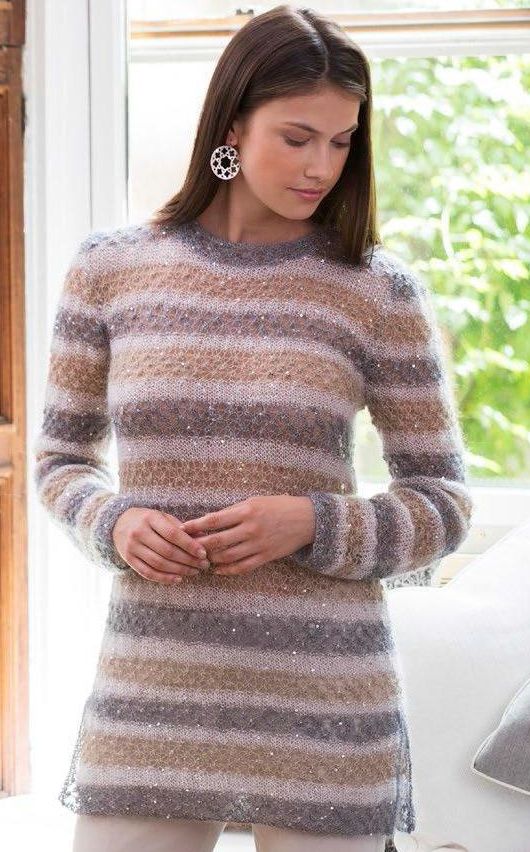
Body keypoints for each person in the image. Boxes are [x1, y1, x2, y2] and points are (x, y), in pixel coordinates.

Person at [33, 5, 473, 852]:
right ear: (232, 124)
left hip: (323, 703)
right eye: (297, 137)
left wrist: (313, 522)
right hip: (156, 689)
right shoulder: (111, 269)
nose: (321, 166)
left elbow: (444, 503)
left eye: (341, 142)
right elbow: (59, 460)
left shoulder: (376, 291)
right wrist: (113, 521)